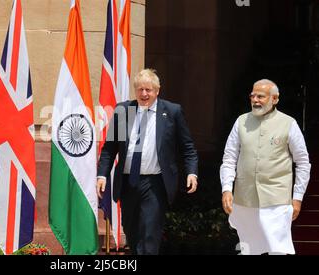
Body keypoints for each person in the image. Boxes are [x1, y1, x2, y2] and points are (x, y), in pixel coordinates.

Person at [96, 69, 199, 255]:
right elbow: (109, 149)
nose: (144, 94)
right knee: (132, 234)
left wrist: (192, 172)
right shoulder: (122, 111)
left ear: (157, 91)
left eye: (148, 90)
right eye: (140, 89)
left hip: (155, 184)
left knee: (149, 235)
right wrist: (102, 174)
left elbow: (188, 146)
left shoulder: (172, 112)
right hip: (128, 183)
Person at [220, 79, 311, 255]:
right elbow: (229, 158)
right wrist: (226, 189)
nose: (255, 100)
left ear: (275, 99)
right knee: (248, 249)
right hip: (245, 199)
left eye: (261, 96)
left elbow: (302, 163)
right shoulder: (241, 121)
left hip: (277, 200)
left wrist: (297, 197)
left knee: (277, 249)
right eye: (252, 95)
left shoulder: (289, 123)